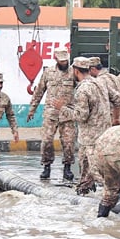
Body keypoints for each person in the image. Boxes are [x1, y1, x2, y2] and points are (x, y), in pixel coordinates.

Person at [57, 57, 112, 195]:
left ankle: (117, 195)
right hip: (104, 134)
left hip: (89, 138)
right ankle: (86, 192)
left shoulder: (83, 89)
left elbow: (81, 116)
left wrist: (62, 108)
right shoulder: (99, 83)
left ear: (76, 71)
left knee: (94, 171)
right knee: (94, 172)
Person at [27, 49, 76, 181]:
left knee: (68, 142)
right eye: (61, 61)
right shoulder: (48, 73)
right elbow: (39, 91)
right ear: (56, 60)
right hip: (51, 113)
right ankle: (46, 167)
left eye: (66, 60)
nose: (64, 63)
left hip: (67, 113)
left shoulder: (73, 73)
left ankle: (67, 168)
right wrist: (32, 109)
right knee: (47, 140)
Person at [88, 57, 120, 125]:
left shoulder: (100, 81)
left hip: (110, 118)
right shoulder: (114, 77)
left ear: (92, 69)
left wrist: (115, 118)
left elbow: (116, 98)